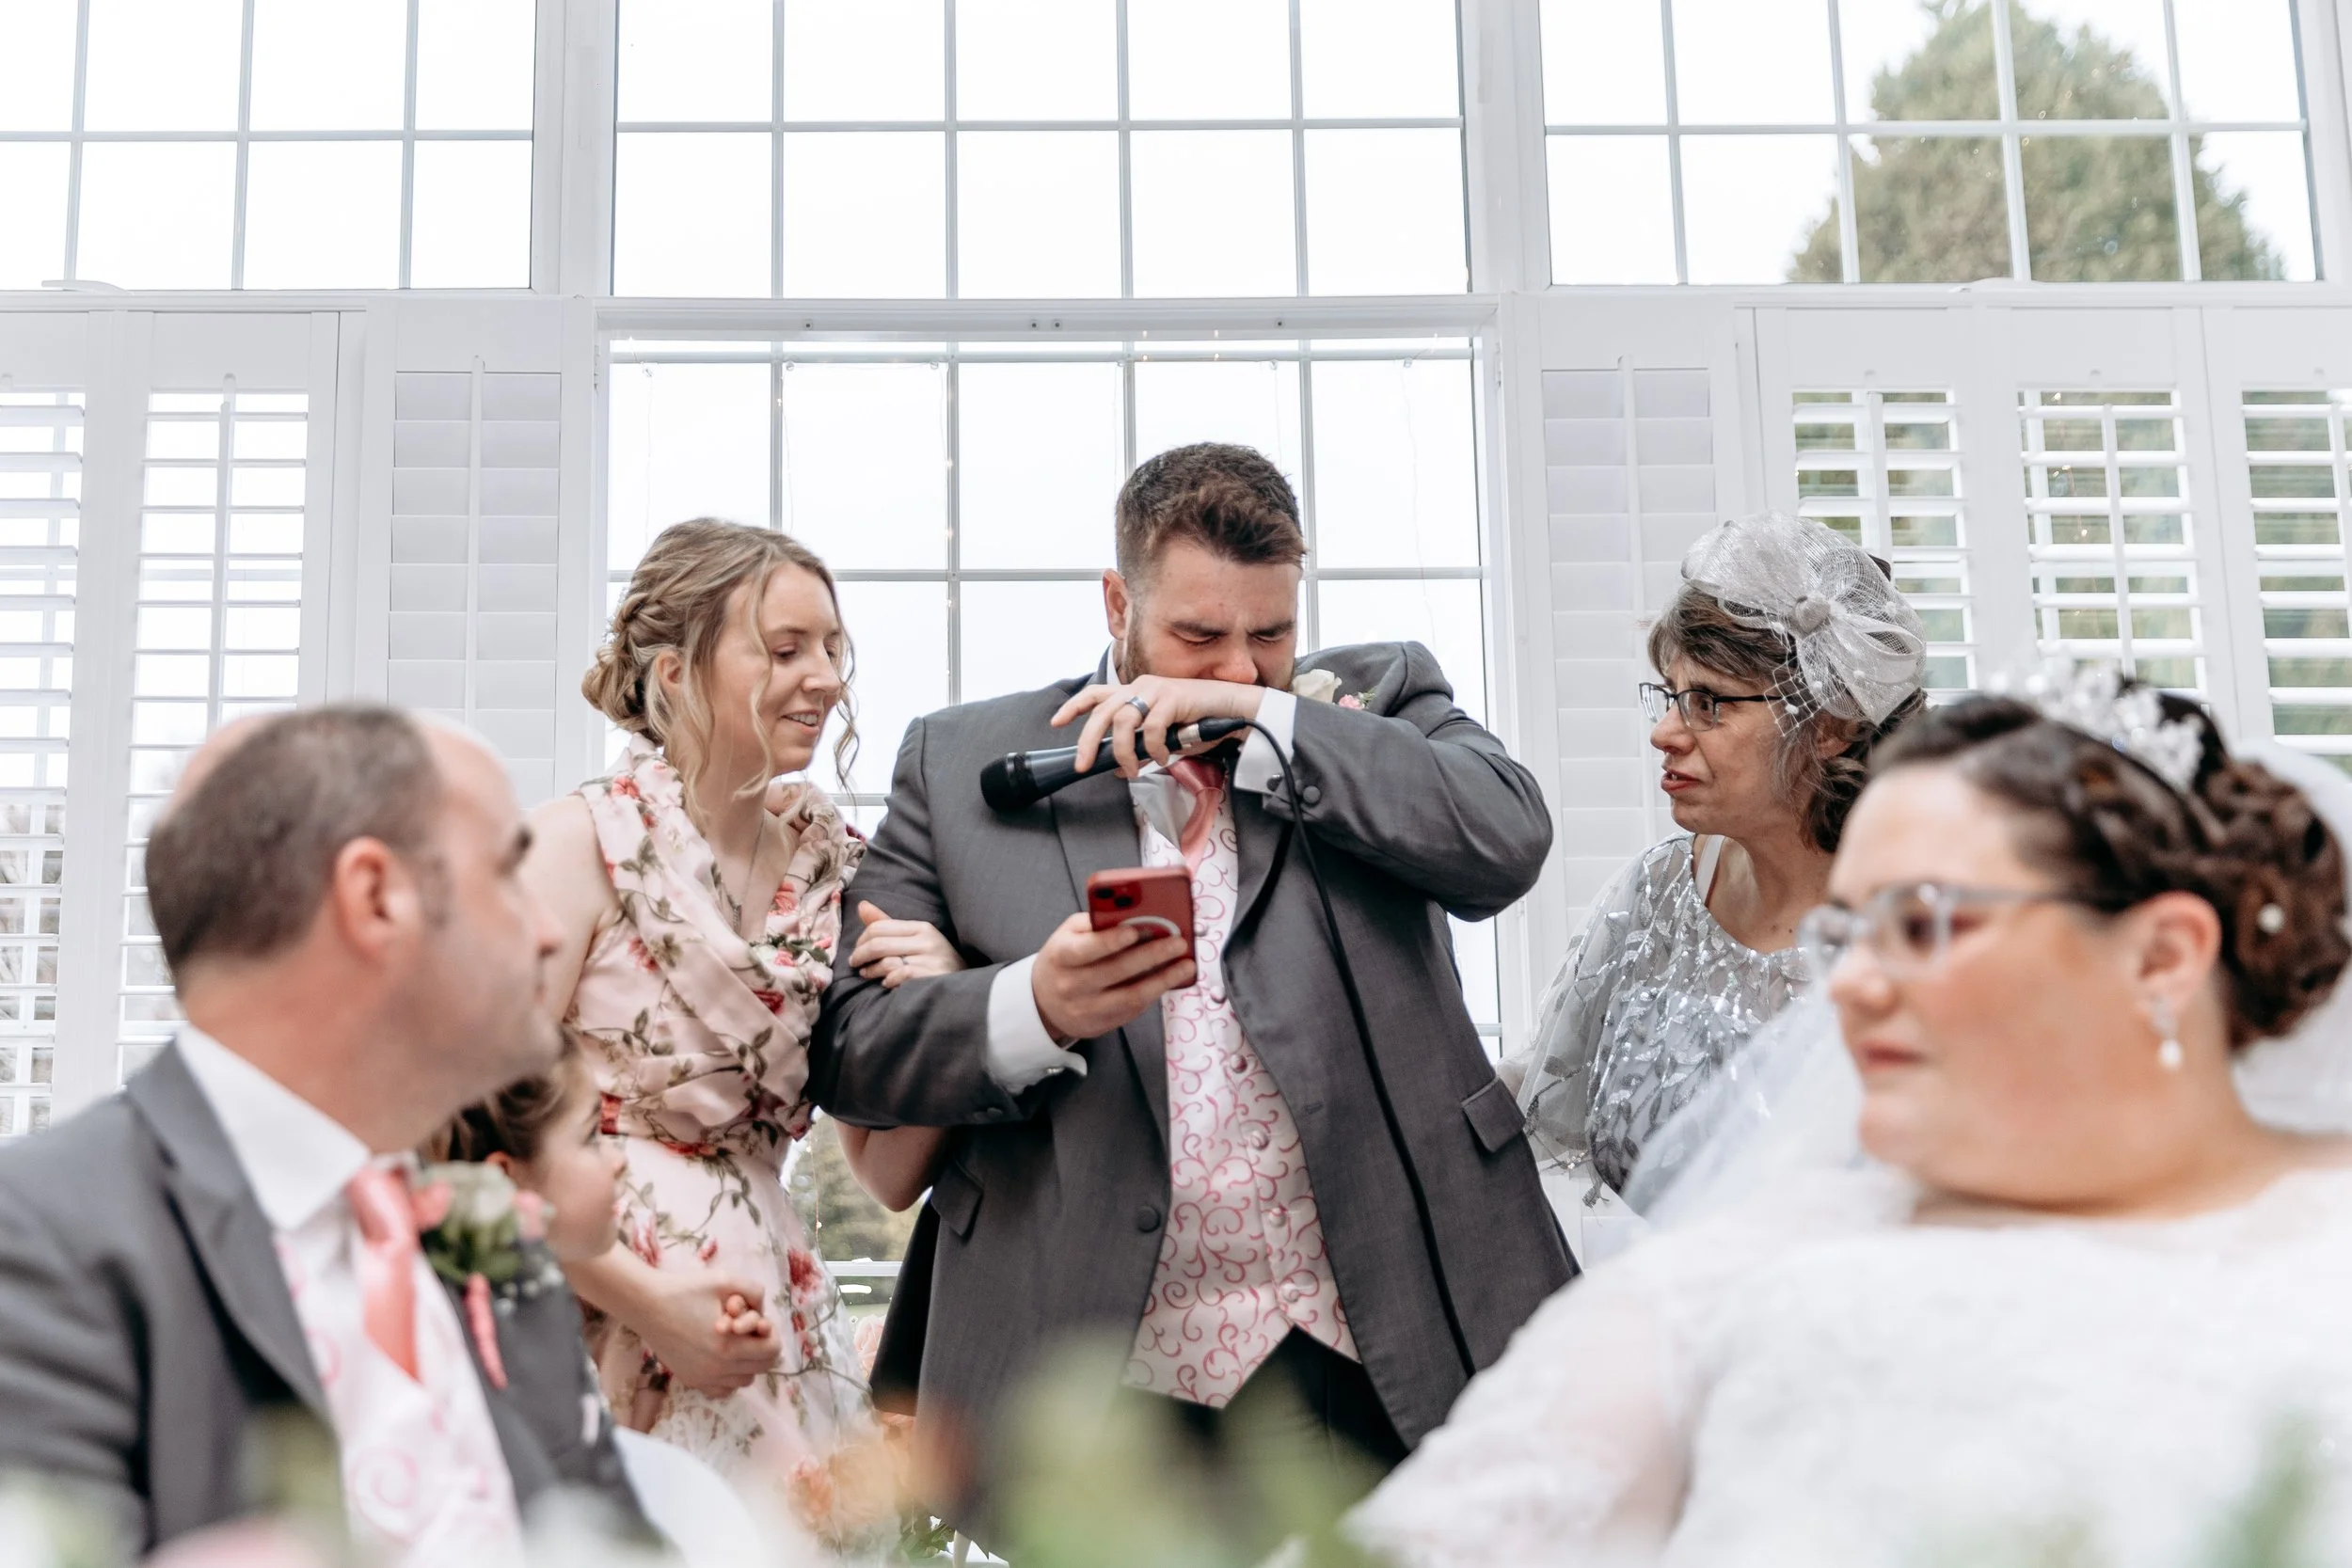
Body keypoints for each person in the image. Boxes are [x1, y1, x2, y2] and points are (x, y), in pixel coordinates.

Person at [1349, 672, 2352, 1567]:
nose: (1852, 984)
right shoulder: (1737, 1279)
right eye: (1847, 930)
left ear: (2161, 956)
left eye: (1922, 922)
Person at [810, 441, 1572, 1545]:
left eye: (1269, 634)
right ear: (1118, 601)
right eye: (1198, 636)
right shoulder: (960, 761)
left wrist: (1273, 725)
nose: (1239, 666)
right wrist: (1031, 1003)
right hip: (1090, 1366)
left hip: (1371, 1340)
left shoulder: (1376, 698)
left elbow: (1503, 837)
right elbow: (852, 1050)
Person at [0, 706, 646, 1561]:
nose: (551, 928)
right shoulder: (43, 1236)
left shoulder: (499, 1250)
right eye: (506, 872)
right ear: (376, 897)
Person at [524, 517, 960, 1548]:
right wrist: (643, 1297)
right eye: (783, 647)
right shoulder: (572, 845)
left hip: (775, 1324)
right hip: (581, 1309)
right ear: (675, 670)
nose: (823, 679)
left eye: (832, 649)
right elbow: (459, 1138)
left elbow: (887, 1170)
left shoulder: (843, 874)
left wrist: (940, 1006)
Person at [1509, 511, 1926, 1250]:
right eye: (1669, 695)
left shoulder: (1928, 939)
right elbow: (1549, 1131)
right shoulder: (1655, 894)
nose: (1665, 731)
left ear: (1831, 724)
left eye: (1708, 703)